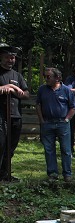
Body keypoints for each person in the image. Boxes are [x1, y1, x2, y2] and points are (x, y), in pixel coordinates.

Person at [36, 67, 75, 182]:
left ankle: (67, 174)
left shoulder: (66, 90)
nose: (46, 79)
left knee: (66, 149)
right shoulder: (42, 89)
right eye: (45, 76)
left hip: (62, 123)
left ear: (57, 78)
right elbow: (38, 104)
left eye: (48, 76)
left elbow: (73, 107)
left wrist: (67, 119)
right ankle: (52, 174)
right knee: (49, 149)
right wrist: (41, 120)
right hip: (47, 123)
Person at [0, 43, 30, 182]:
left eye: (12, 58)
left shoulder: (17, 75)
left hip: (15, 115)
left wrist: (18, 92)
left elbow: (26, 94)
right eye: (7, 57)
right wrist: (6, 87)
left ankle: (6, 173)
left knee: (11, 147)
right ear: (1, 58)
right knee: (1, 145)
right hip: (1, 116)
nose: (10, 60)